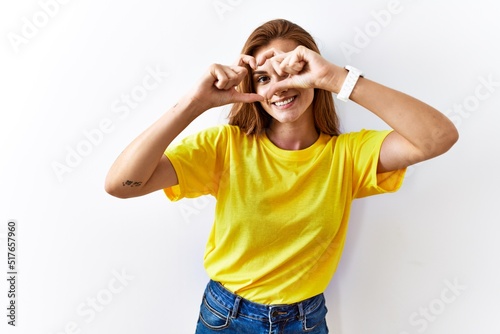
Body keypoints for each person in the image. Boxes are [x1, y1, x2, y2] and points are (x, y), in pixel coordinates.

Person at [105, 19, 458, 334]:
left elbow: (438, 137)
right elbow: (121, 184)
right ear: (251, 88)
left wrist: (336, 79)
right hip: (226, 318)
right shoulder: (224, 147)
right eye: (263, 77)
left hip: (306, 321)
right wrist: (195, 102)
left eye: (291, 71)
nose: (279, 87)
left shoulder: (348, 155)